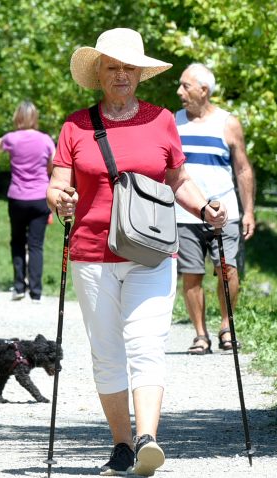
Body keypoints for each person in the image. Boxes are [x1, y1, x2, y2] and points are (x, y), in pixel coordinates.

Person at [47, 28, 227, 476]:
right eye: (113, 66)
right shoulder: (76, 124)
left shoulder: (162, 120)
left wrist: (205, 208)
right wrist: (60, 199)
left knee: (147, 344)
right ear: (100, 74)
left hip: (152, 252)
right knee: (107, 352)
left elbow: (179, 180)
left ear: (140, 74)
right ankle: (121, 445)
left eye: (129, 67)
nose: (121, 74)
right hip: (91, 252)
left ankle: (147, 439)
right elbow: (57, 183)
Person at [174, 63, 255, 355]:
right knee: (191, 275)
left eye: (185, 86)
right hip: (185, 214)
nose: (179, 91)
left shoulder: (228, 123)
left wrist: (248, 211)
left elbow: (243, 169)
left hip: (225, 212)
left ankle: (226, 326)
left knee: (227, 270)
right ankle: (200, 334)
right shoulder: (173, 122)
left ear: (204, 90)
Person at [0, 101, 55, 303]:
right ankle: (36, 292)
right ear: (35, 118)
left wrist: (3, 145)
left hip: (17, 198)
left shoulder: (11, 138)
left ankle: (19, 286)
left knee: (18, 242)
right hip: (40, 198)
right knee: (36, 246)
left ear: (17, 117)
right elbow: (53, 163)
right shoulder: (46, 139)